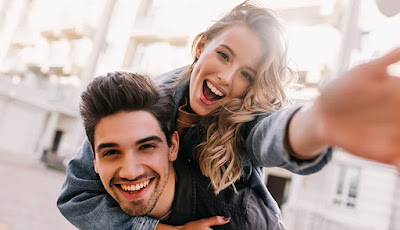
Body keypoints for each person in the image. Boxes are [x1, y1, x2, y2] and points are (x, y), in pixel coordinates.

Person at [57, 2, 400, 229]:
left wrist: (317, 122)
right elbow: (77, 195)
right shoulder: (142, 106)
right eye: (223, 55)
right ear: (199, 46)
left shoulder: (244, 114)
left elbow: (272, 133)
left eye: (247, 75)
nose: (227, 77)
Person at [77, 71, 286, 229]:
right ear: (93, 160)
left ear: (173, 146)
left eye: (147, 147)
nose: (130, 171)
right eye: (111, 152)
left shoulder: (241, 217)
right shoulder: (99, 216)